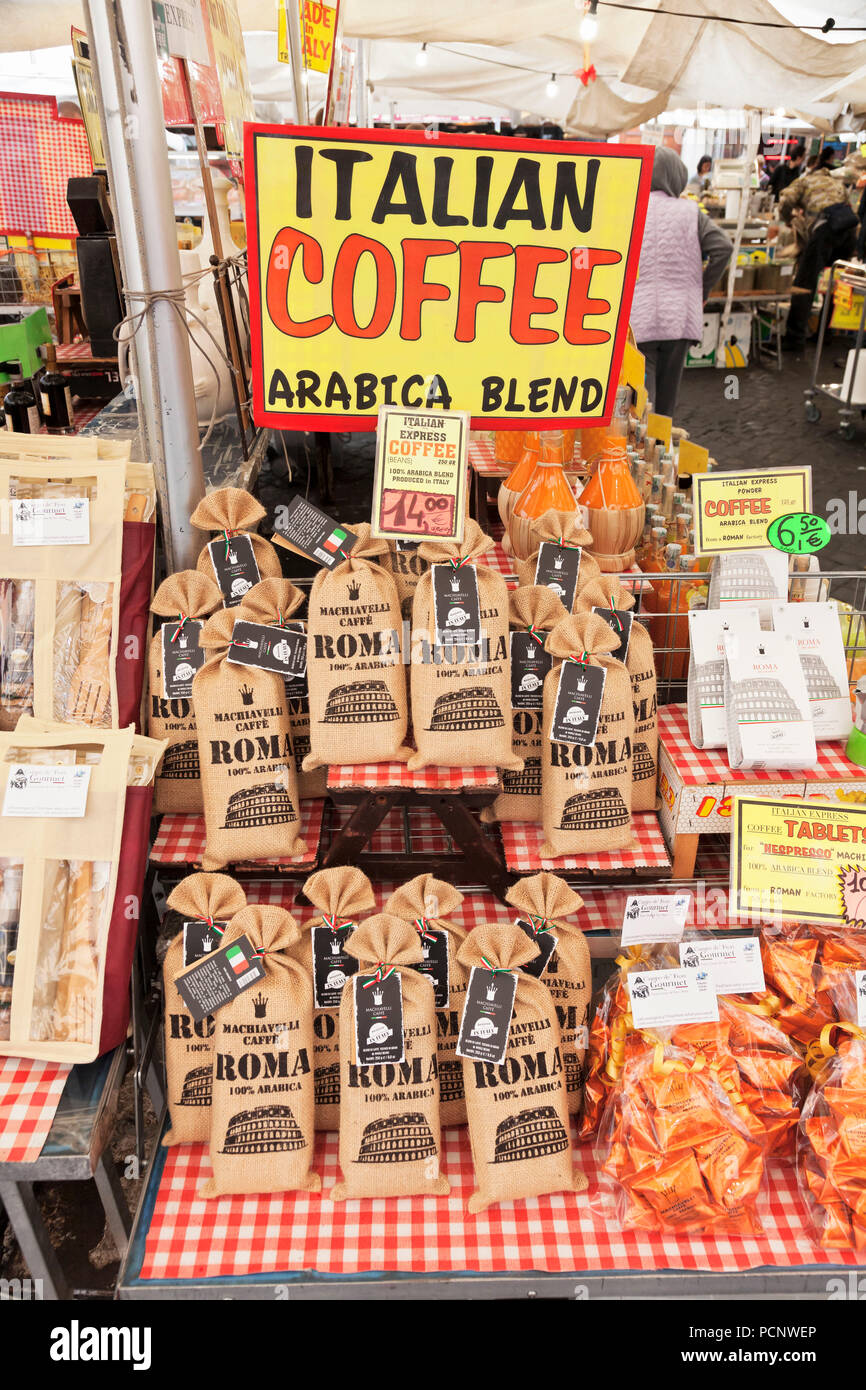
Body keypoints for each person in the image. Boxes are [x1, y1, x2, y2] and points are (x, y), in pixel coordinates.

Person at [631, 146, 733, 418]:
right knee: (666, 406)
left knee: (641, 403)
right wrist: (703, 288)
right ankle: (664, 450)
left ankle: (640, 456)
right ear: (676, 175)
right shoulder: (690, 212)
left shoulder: (629, 210)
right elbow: (723, 247)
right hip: (679, 316)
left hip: (637, 319)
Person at [779, 148, 858, 350]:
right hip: (848, 232)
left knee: (805, 282)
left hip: (826, 230)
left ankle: (794, 339)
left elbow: (785, 199)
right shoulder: (836, 183)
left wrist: (788, 219)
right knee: (834, 285)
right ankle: (825, 334)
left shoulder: (804, 181)